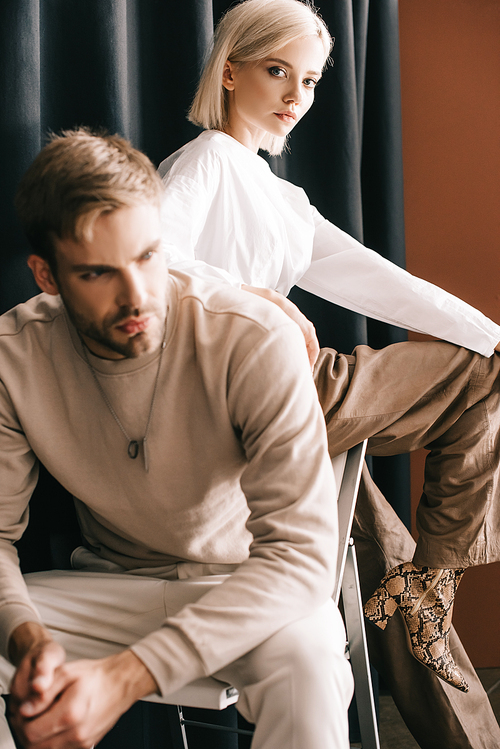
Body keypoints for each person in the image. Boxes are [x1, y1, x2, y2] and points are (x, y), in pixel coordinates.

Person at [158, 0, 500, 745]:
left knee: (395, 590)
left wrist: (490, 329)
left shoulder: (282, 197)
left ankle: (434, 603)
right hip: (257, 394)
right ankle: (437, 575)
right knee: (480, 374)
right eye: (277, 71)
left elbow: (374, 277)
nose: (294, 98)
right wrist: (257, 302)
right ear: (229, 70)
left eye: (309, 81)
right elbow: (146, 261)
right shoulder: (206, 162)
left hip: (292, 424)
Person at [0, 128, 353, 749]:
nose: (137, 296)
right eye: (98, 273)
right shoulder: (13, 355)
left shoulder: (252, 336)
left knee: (310, 663)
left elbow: (301, 557)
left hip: (246, 585)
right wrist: (28, 640)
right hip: (109, 585)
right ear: (47, 276)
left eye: (147, 257)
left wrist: (126, 678)